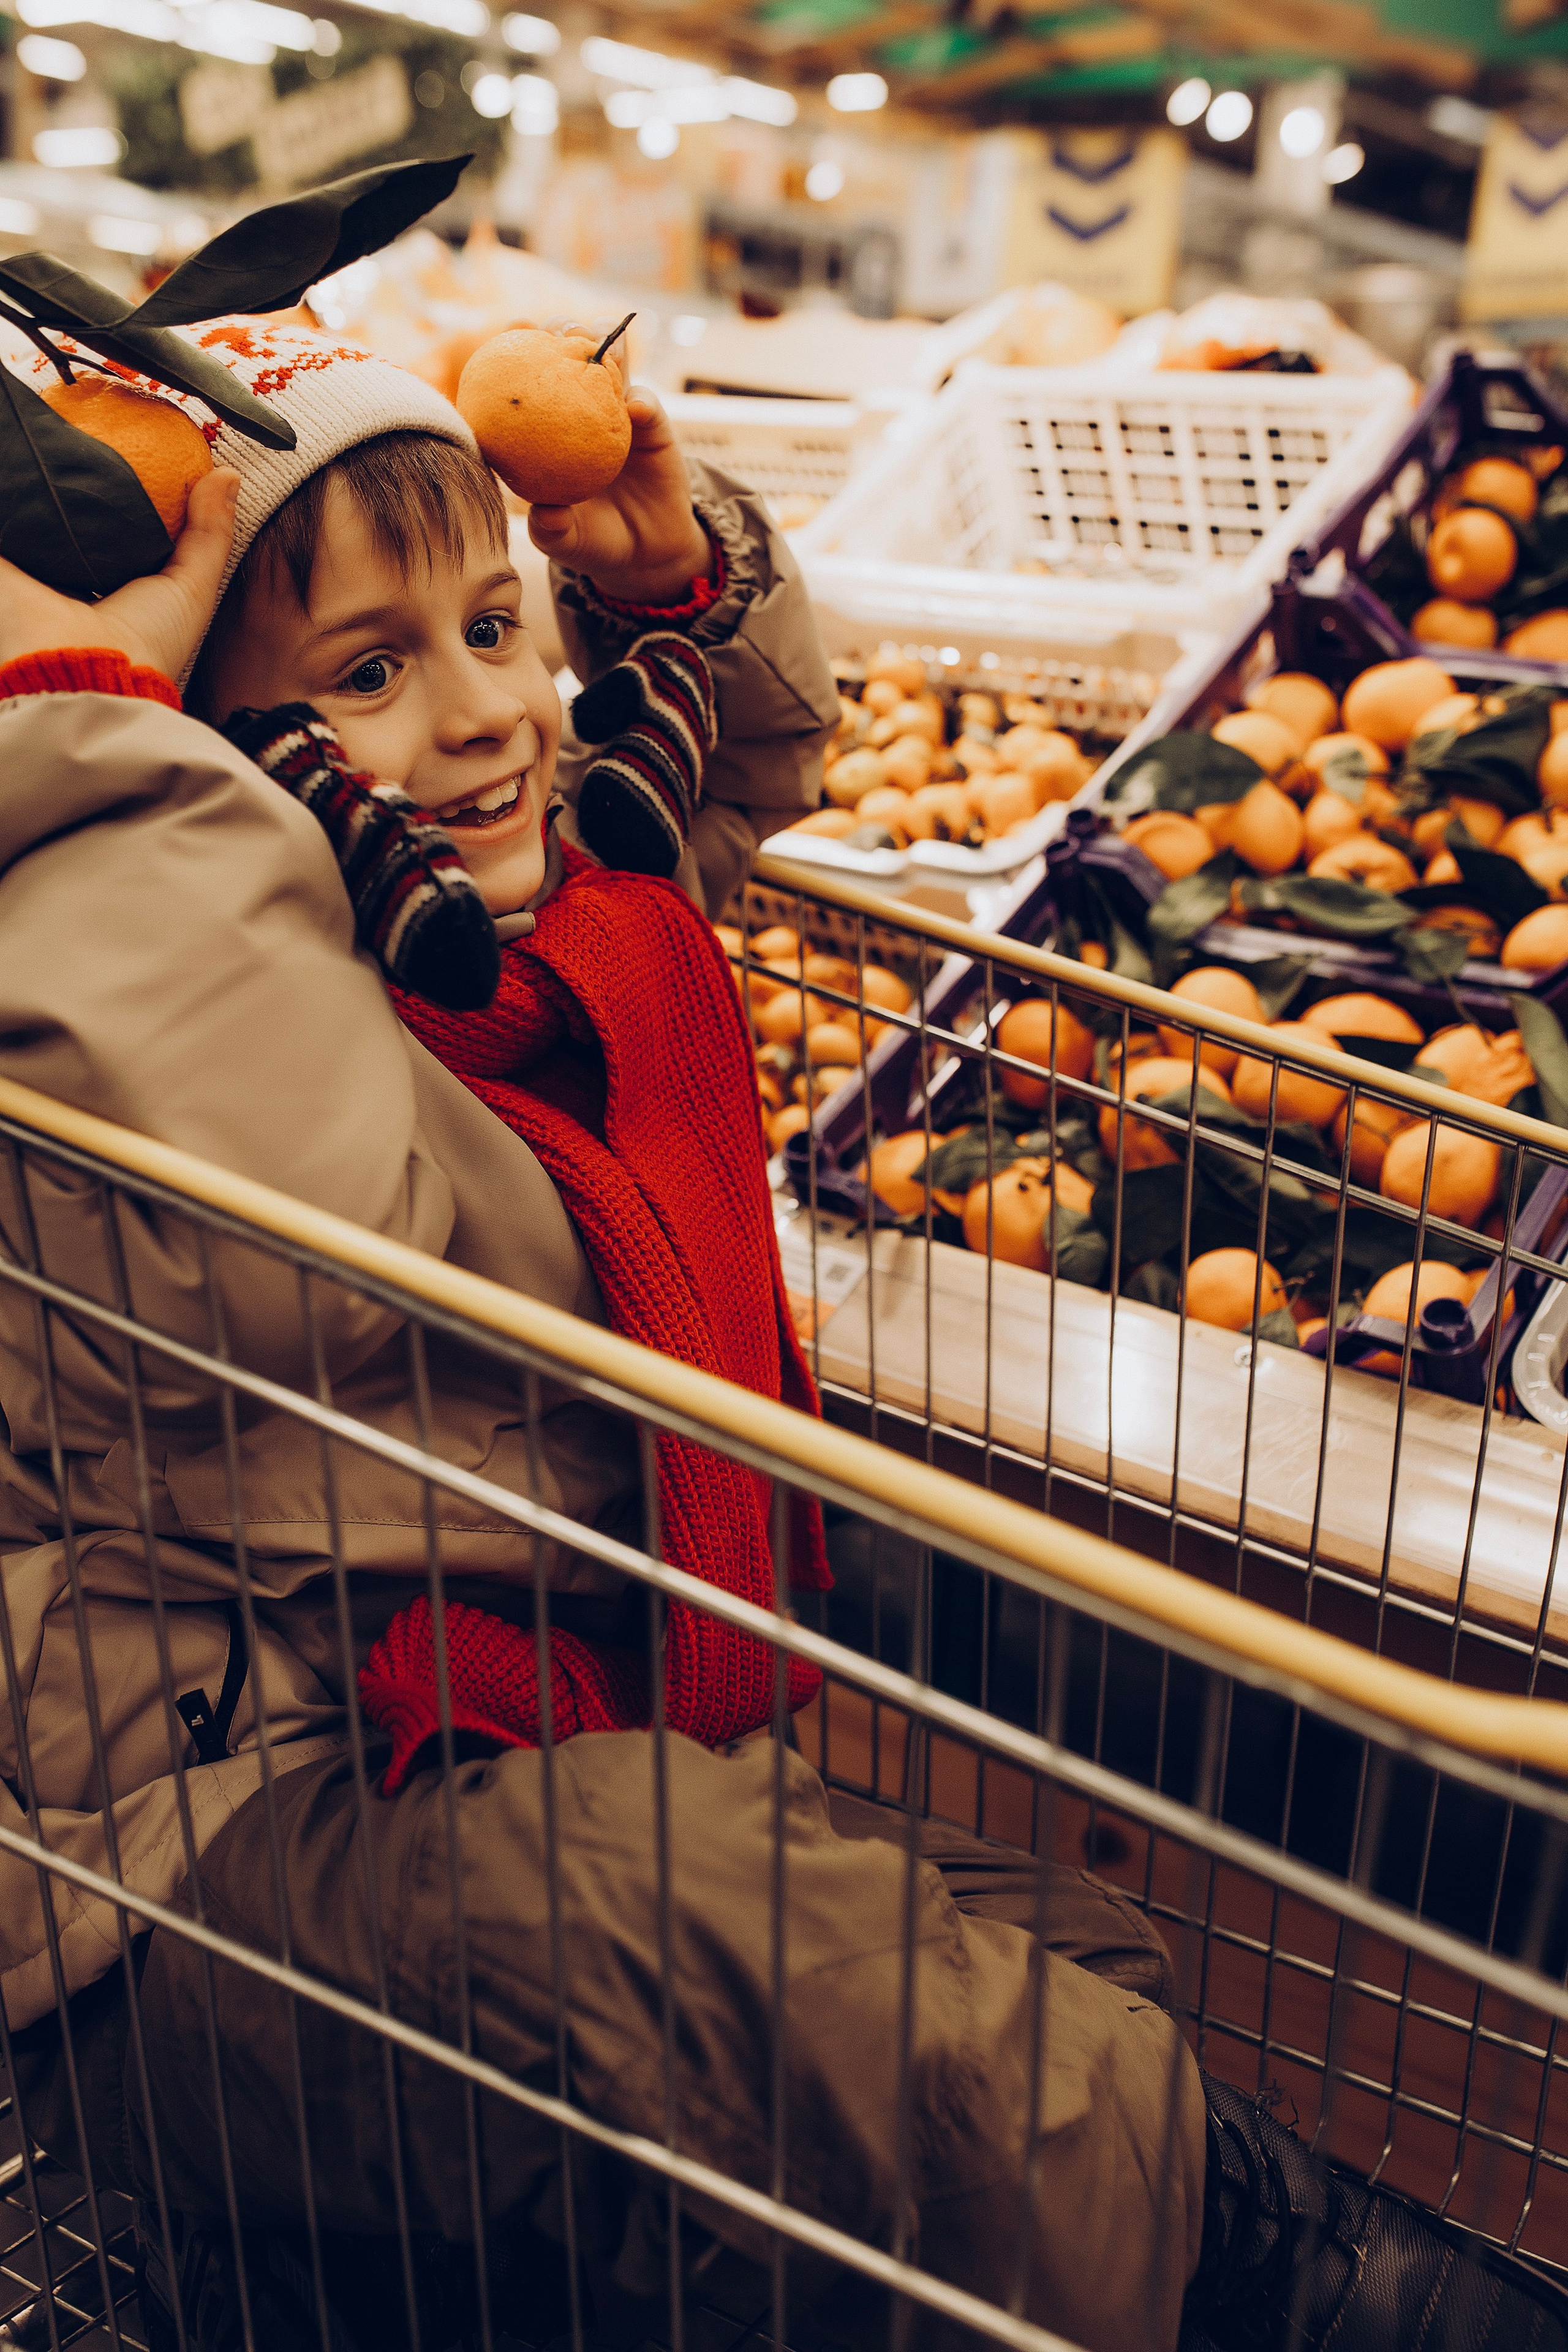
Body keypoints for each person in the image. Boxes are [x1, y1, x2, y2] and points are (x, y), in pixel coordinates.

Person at [0, 317, 1562, 2352]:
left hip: (486, 1759)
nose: (482, 721)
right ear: (190, 755)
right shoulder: (135, 1001)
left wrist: (665, 581)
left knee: (1068, 1970)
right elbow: (315, 1210)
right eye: (367, 673)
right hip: (194, 1878)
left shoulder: (490, 957)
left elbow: (712, 784)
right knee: (892, 2032)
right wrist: (79, 724)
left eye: (495, 626)